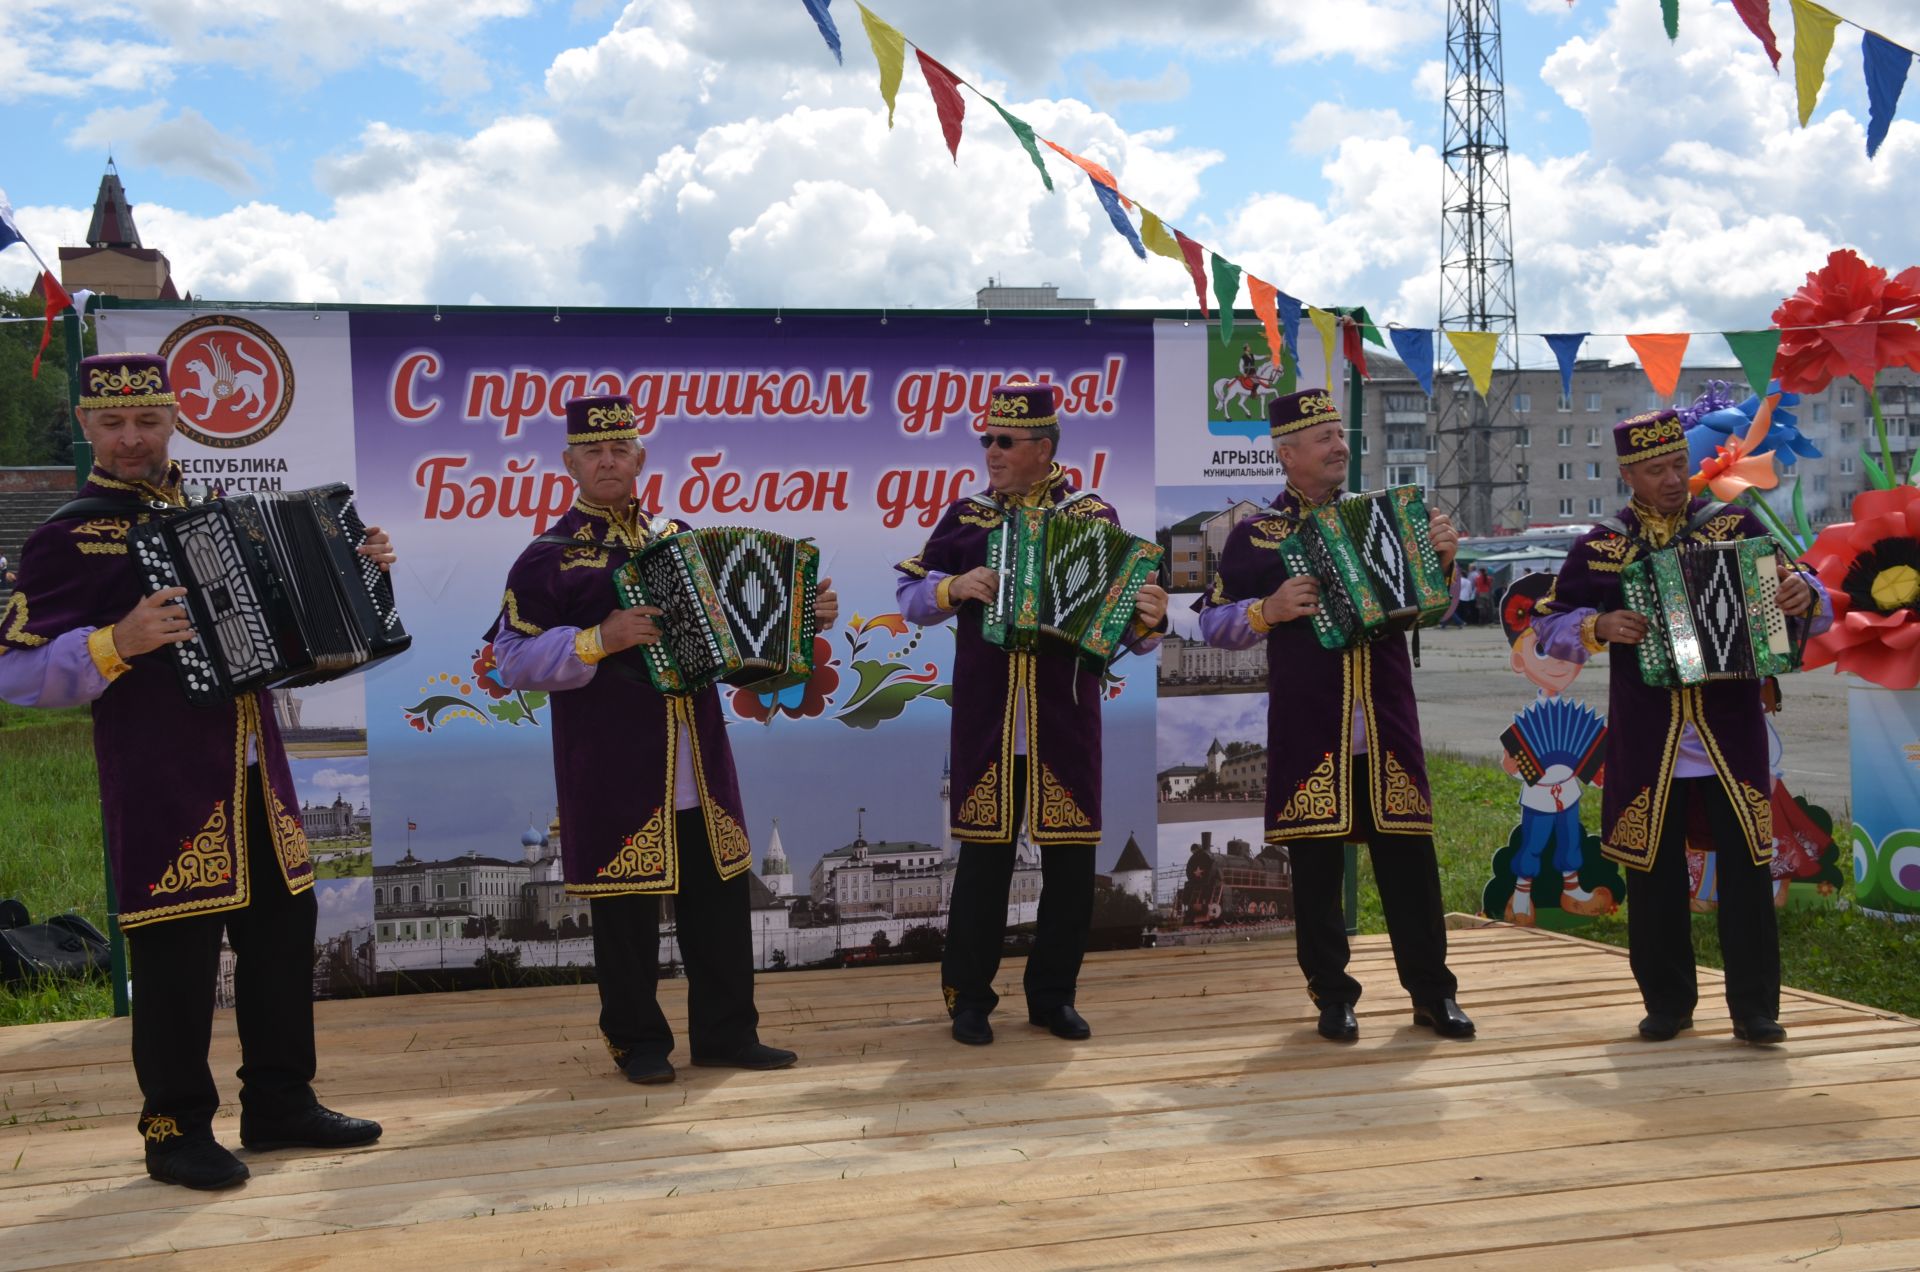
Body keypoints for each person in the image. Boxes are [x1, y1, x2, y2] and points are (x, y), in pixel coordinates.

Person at [0, 353, 389, 1190]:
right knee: (175, 961)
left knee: (283, 941)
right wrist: (115, 642)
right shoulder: (66, 534)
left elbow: (286, 630)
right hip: (163, 781)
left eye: (148, 420)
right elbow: (12, 670)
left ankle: (281, 1102)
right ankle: (173, 1129)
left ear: (175, 418)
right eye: (114, 424)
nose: (133, 438)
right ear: (85, 426)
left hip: (257, 769)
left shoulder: (220, 514)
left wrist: (356, 572)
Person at [486, 394, 836, 1083]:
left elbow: (736, 637)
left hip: (698, 756)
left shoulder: (680, 538)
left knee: (720, 899)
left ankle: (727, 1034)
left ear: (641, 459)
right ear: (569, 464)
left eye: (620, 449)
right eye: (593, 451)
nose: (607, 460)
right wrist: (597, 638)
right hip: (614, 761)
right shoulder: (545, 559)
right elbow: (511, 661)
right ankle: (637, 1043)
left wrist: (803, 616)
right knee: (625, 912)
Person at [1531, 409, 1830, 1045]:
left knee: (1749, 868)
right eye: (1656, 470)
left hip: (1729, 730)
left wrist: (1805, 594)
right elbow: (1546, 625)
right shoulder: (1602, 545)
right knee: (1653, 868)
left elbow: (1807, 591)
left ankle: (1755, 1010)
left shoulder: (1732, 524)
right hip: (1650, 733)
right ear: (1627, 474)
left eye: (1678, 465)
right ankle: (1667, 1004)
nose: (1673, 479)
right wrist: (1597, 627)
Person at [895, 378, 1168, 1046]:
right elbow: (909, 592)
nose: (990, 450)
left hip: (1065, 718)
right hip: (989, 719)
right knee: (983, 867)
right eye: (986, 438)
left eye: (1004, 441)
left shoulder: (1093, 517)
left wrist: (1151, 620)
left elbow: (1124, 625)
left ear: (1043, 448)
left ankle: (1053, 996)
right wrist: (952, 588)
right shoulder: (965, 517)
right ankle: (969, 1000)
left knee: (1071, 868)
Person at [1195, 388, 1472, 1042]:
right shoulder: (1255, 534)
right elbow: (1211, 622)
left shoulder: (1385, 517)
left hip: (1385, 723)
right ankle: (1331, 995)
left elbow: (1436, 610)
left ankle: (1434, 994)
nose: (1339, 447)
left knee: (1409, 862)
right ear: (1287, 454)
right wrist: (1269, 609)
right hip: (1310, 724)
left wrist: (1446, 561)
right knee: (1316, 869)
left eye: (1339, 437)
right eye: (1322, 438)